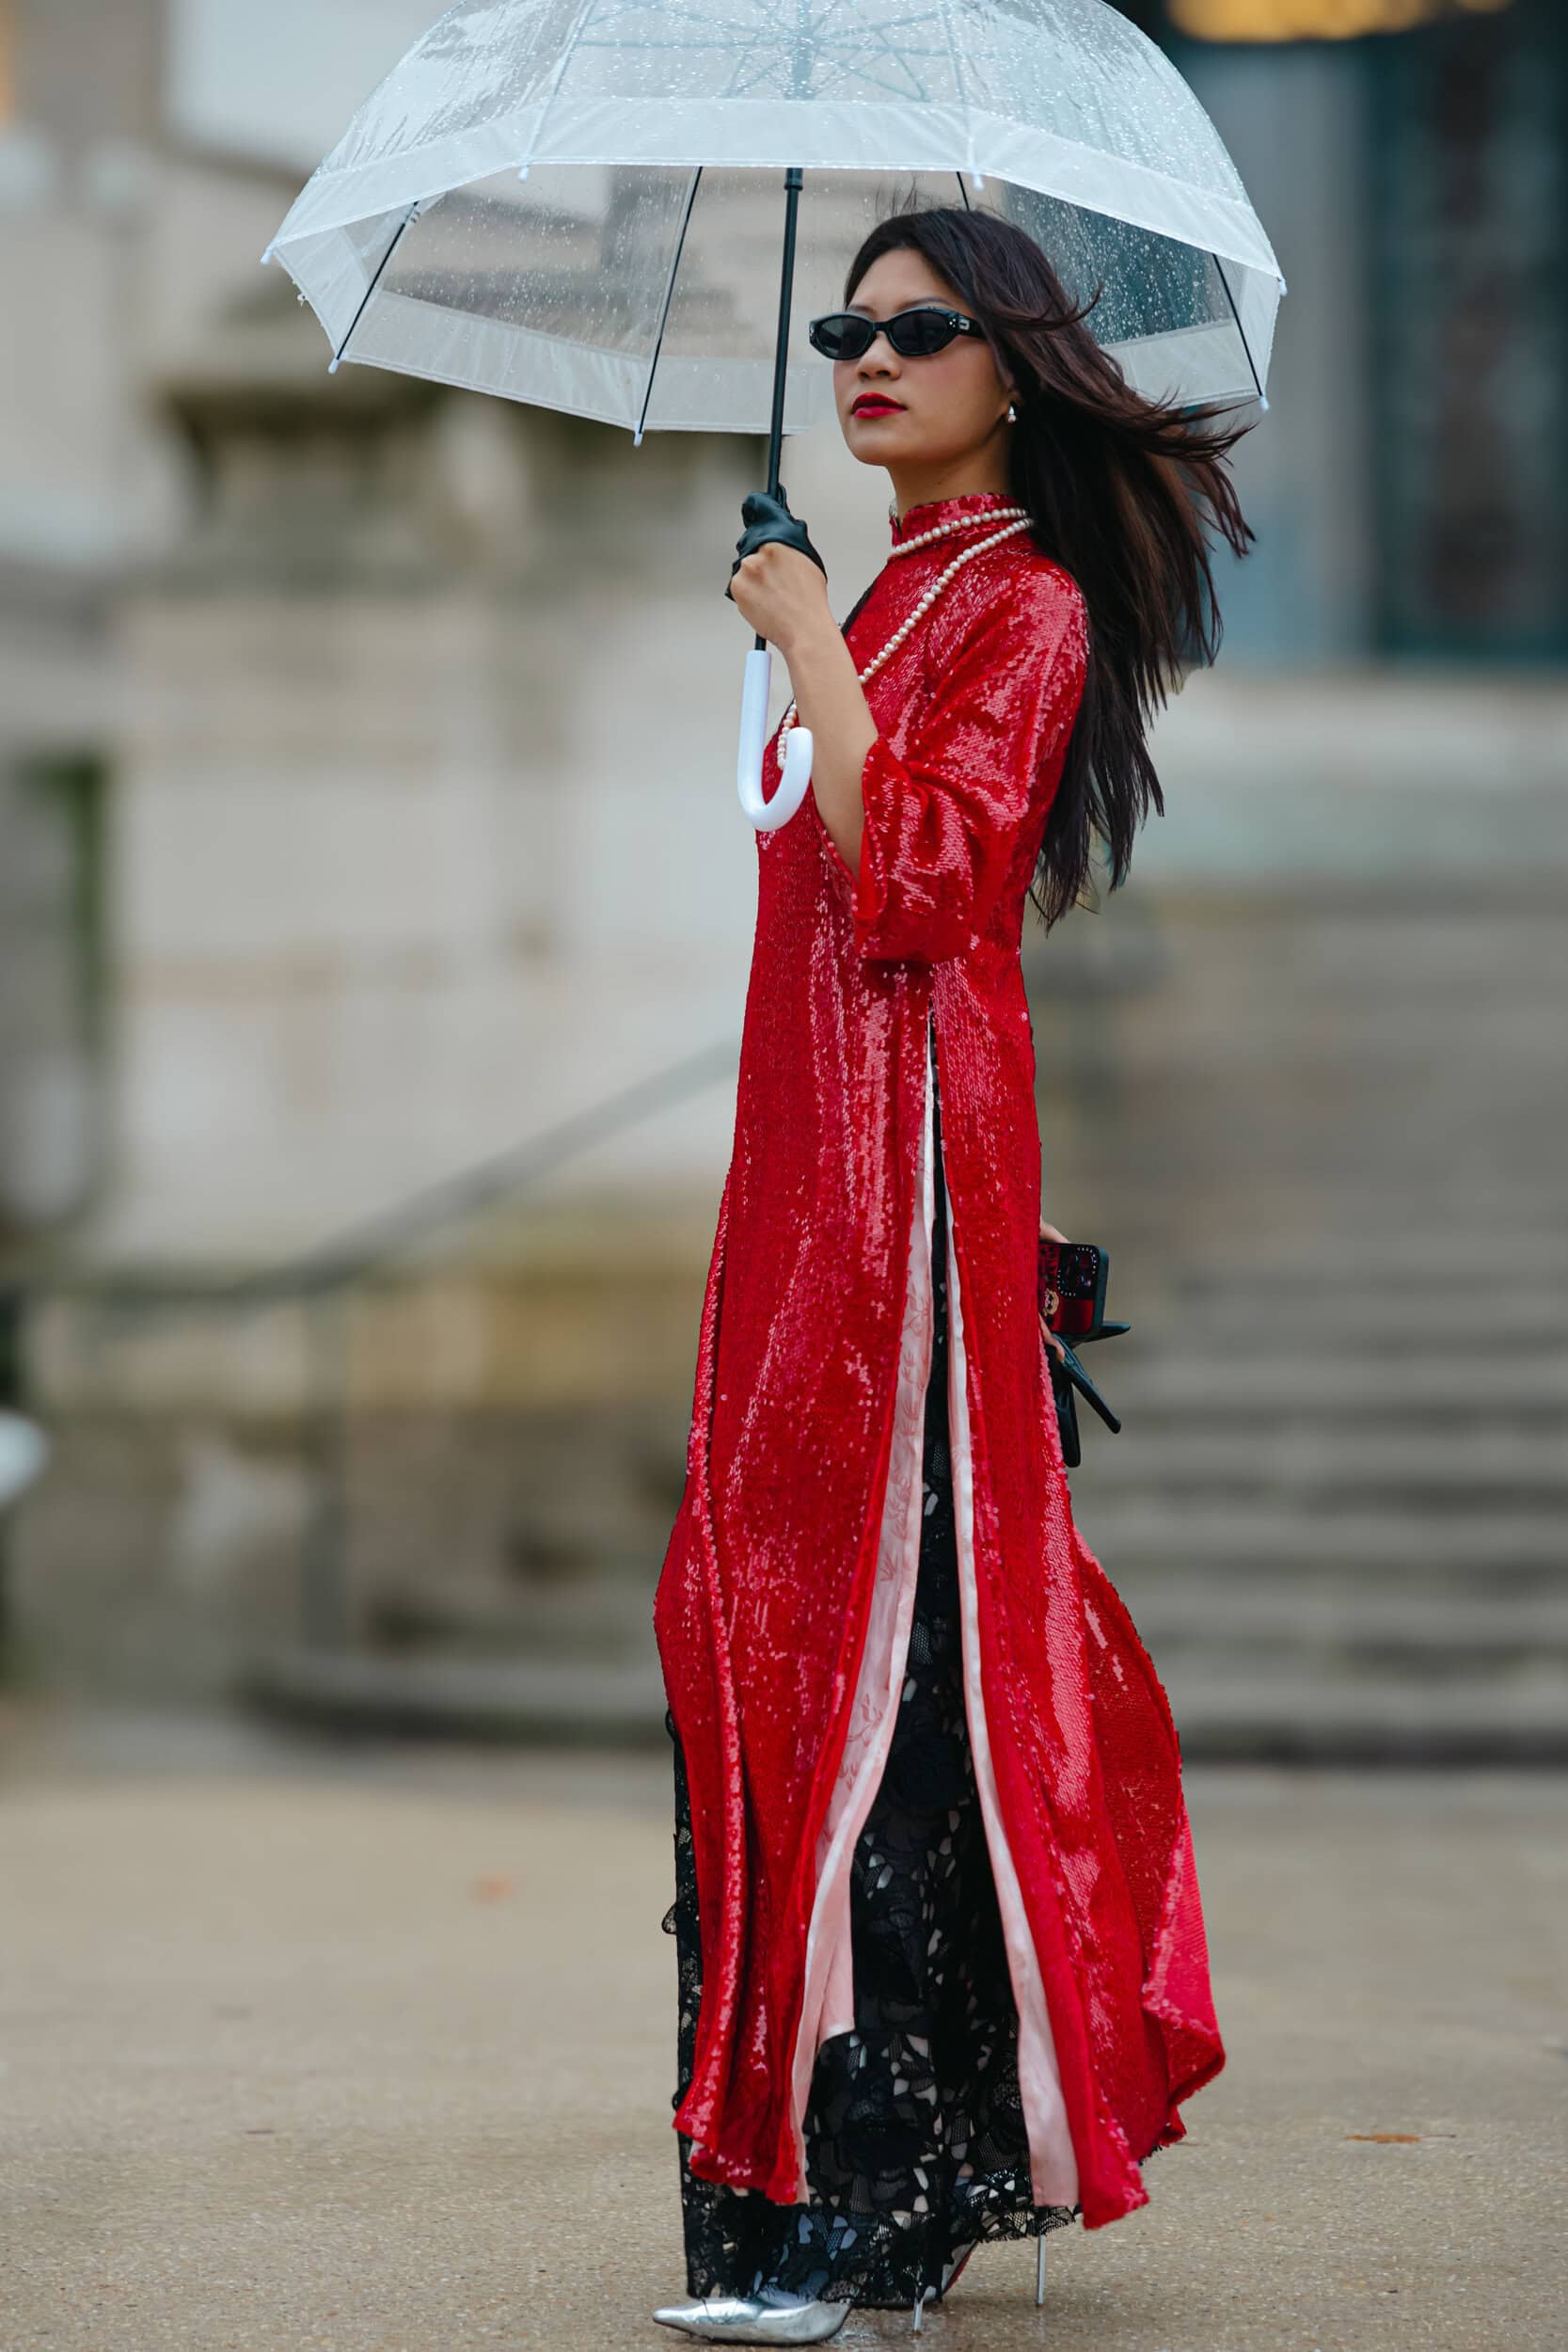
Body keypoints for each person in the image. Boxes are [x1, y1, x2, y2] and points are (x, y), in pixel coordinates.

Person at [651, 204, 1256, 2344]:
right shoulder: (885, 593)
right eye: (848, 325)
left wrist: (808, 634)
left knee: (901, 1638)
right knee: (751, 1600)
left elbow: (920, 884)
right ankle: (772, 2188)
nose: (869, 357)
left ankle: (878, 2217)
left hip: (911, 1168)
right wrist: (814, 630)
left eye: (919, 329)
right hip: (794, 1170)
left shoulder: (1028, 606)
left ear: (1012, 365)